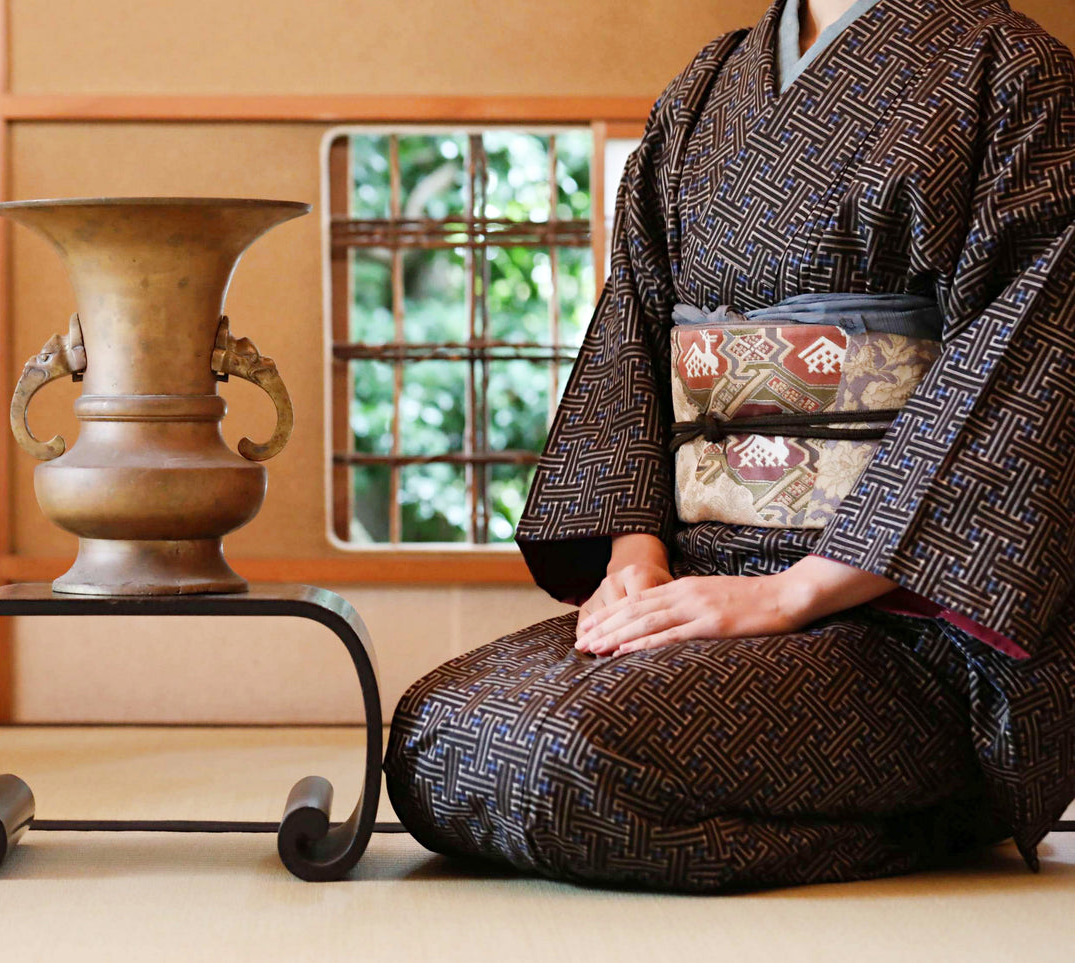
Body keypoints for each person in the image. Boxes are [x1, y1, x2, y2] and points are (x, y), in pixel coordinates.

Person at [384, 0, 1075, 891]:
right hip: (704, 581)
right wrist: (636, 555)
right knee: (436, 734)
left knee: (573, 754)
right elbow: (632, 331)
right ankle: (889, 814)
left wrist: (791, 595)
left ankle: (941, 807)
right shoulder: (709, 84)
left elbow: (1034, 366)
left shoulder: (1014, 74)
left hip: (907, 623)